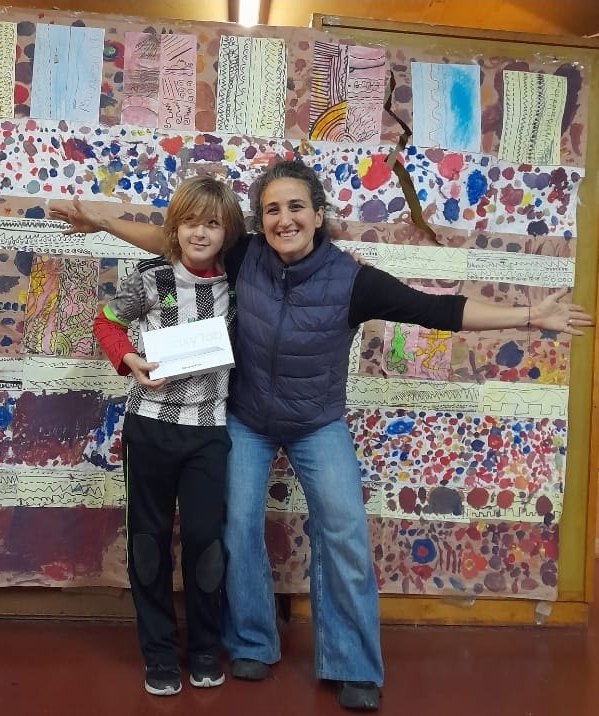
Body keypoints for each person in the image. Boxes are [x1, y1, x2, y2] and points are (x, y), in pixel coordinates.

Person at [50, 160, 591, 711]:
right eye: (272, 210)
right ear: (260, 222)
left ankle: (353, 664)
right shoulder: (245, 257)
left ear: (317, 214)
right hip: (247, 420)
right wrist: (102, 221)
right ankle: (253, 643)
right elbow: (176, 239)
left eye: (295, 207)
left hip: (317, 423)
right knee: (234, 524)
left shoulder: (353, 280)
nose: (285, 219)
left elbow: (438, 310)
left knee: (344, 529)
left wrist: (528, 316)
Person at [91, 176, 245, 696]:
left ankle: (204, 649)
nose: (200, 233)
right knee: (149, 543)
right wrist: (128, 358)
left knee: (206, 543)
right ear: (173, 228)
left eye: (213, 223)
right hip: (150, 427)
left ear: (228, 233)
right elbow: (107, 322)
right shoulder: (149, 278)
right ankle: (158, 653)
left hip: (209, 432)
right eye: (189, 222)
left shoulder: (240, 285)